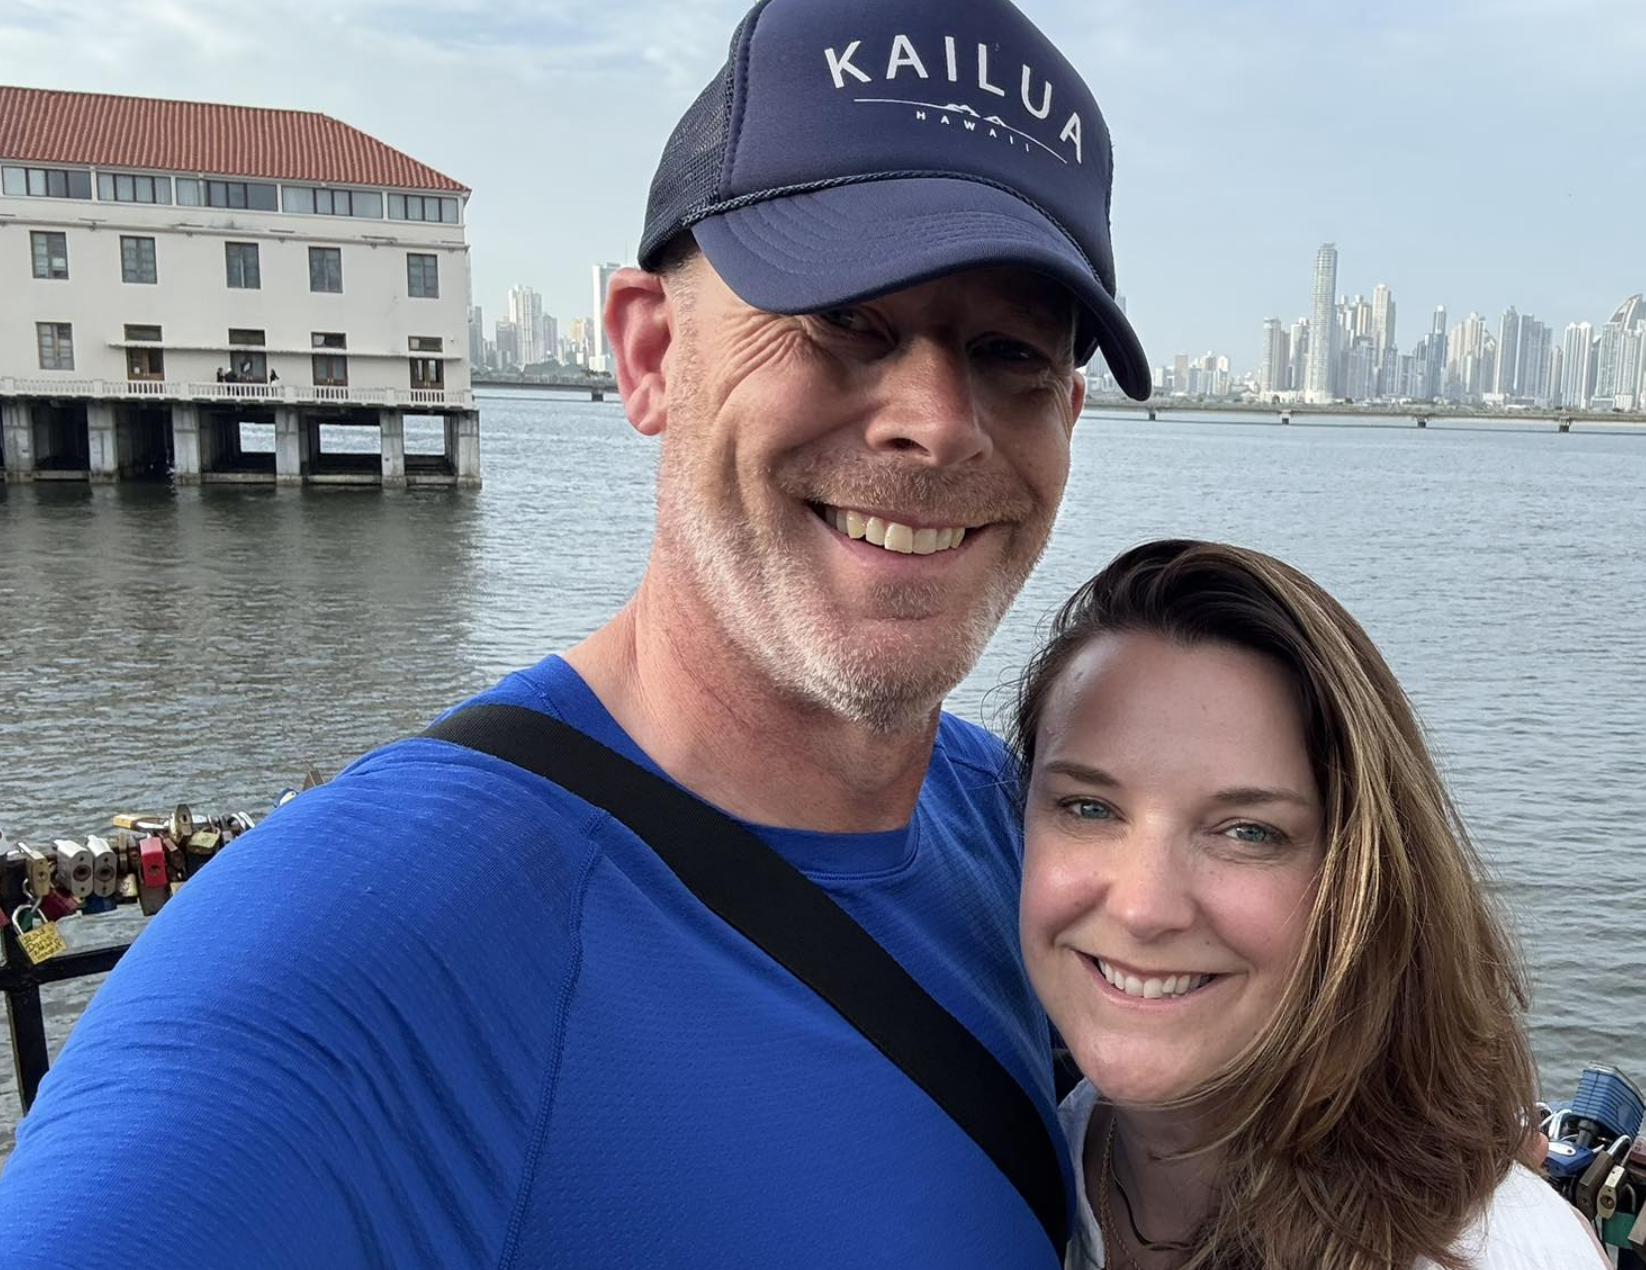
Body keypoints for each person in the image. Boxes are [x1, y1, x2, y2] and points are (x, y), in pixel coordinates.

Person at [0, 0, 1147, 1265]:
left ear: (1069, 421)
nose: (937, 420)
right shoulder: (341, 951)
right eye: (846, 320)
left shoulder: (1027, 832)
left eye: (1009, 353)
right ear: (649, 351)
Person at [1012, 541, 1608, 1269]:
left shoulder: (1502, 1251)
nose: (1142, 908)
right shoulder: (1038, 1150)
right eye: (1088, 808)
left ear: (1366, 881)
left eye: (1248, 831)